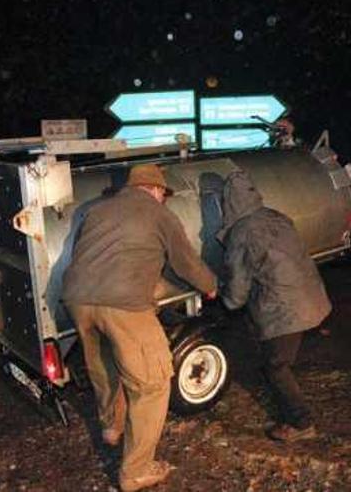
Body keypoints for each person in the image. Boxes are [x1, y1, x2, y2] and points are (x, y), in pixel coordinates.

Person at [61, 164, 217, 492]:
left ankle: (111, 427)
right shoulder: (159, 215)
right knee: (153, 384)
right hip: (123, 305)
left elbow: (84, 253)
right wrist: (210, 285)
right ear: (156, 190)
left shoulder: (96, 209)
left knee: (104, 364)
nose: (163, 199)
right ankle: (136, 472)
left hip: (77, 299)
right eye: (163, 194)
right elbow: (185, 261)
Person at [217, 170, 331, 442]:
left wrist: (224, 296)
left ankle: (301, 423)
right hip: (310, 294)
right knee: (276, 355)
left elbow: (237, 289)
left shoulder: (241, 232)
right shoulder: (275, 215)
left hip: (285, 307)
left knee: (275, 366)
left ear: (229, 202)